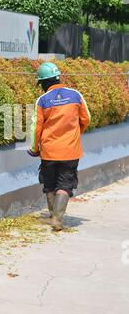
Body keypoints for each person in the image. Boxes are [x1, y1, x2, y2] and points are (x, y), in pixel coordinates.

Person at [28, 62, 91, 231]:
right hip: (71, 151)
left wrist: (34, 148)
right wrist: (76, 135)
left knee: (49, 184)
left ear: (44, 82)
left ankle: (52, 216)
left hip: (49, 152)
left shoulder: (42, 100)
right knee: (65, 184)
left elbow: (36, 128)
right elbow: (86, 119)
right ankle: (57, 218)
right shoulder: (76, 95)